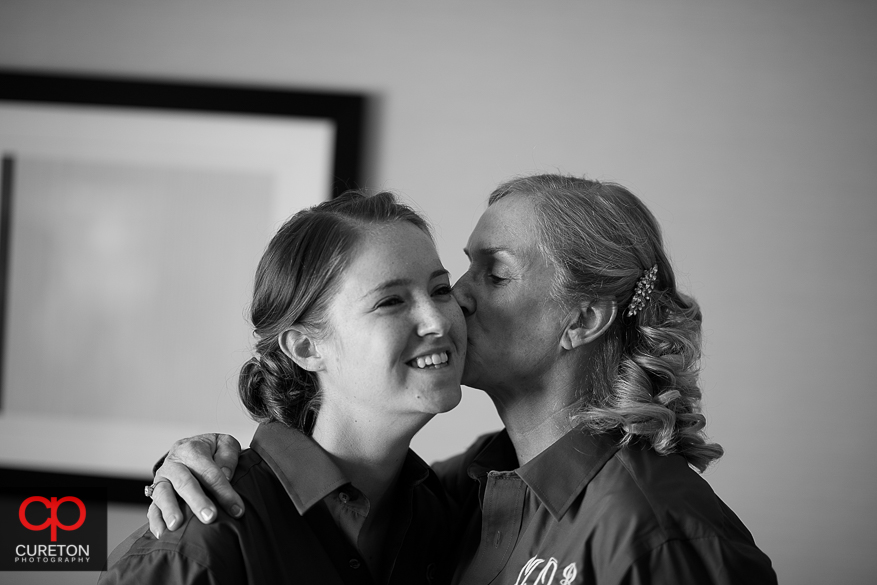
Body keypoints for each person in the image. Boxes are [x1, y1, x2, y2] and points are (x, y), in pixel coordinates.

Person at [146, 174, 778, 584]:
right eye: (394, 300)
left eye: (488, 277)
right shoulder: (465, 497)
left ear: (582, 319)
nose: (453, 307)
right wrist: (184, 464)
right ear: (304, 346)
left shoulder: (657, 534)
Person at [100, 191, 466, 584]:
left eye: (440, 290)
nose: (437, 322)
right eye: (390, 301)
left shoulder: (446, 516)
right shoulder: (199, 543)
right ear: (307, 348)